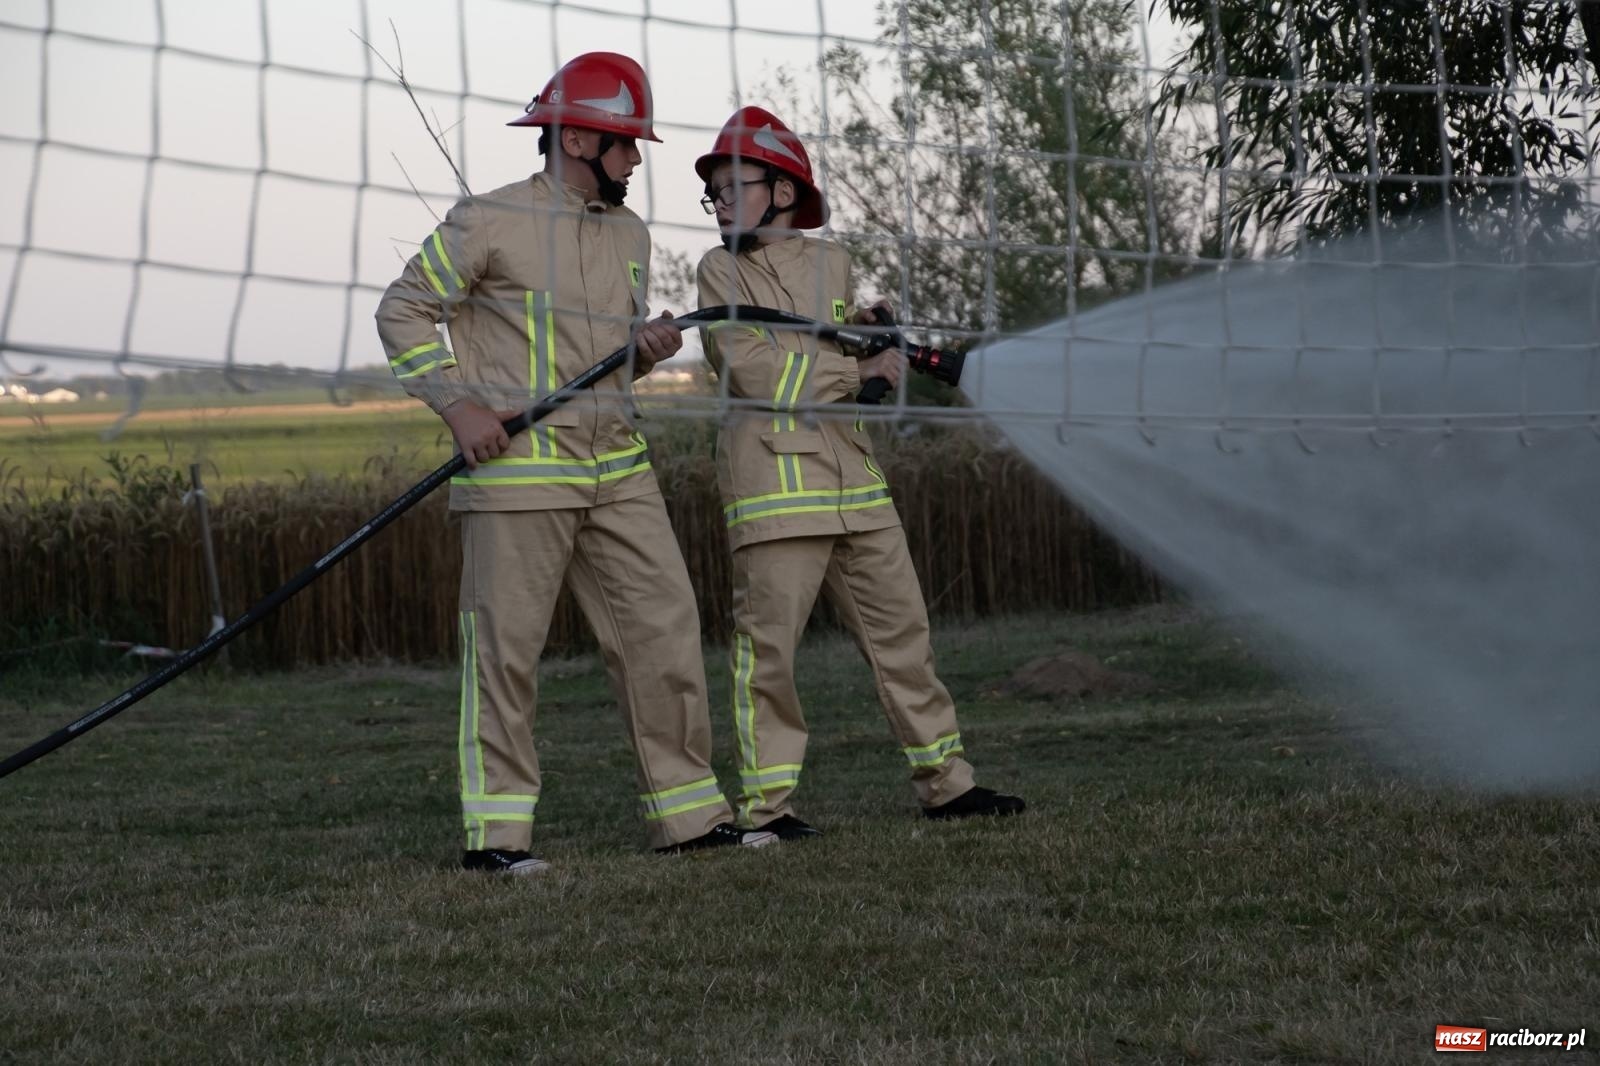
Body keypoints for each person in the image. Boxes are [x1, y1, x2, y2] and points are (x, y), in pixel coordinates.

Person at [376, 54, 775, 874]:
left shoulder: (630, 233)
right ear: (580, 139)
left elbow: (601, 360)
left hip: (620, 470)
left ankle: (690, 818)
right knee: (506, 657)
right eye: (627, 144)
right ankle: (497, 841)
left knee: (665, 632)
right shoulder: (489, 219)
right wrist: (458, 406)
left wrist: (643, 351)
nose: (636, 160)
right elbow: (403, 310)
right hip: (519, 478)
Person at [693, 106, 1026, 840]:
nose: (718, 202)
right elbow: (752, 370)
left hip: (857, 486)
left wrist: (866, 331)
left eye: (732, 186)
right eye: (713, 191)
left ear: (782, 192)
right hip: (775, 493)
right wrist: (857, 370)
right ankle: (767, 810)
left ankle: (948, 786)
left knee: (905, 638)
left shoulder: (832, 262)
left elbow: (827, 345)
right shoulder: (720, 269)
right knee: (768, 657)